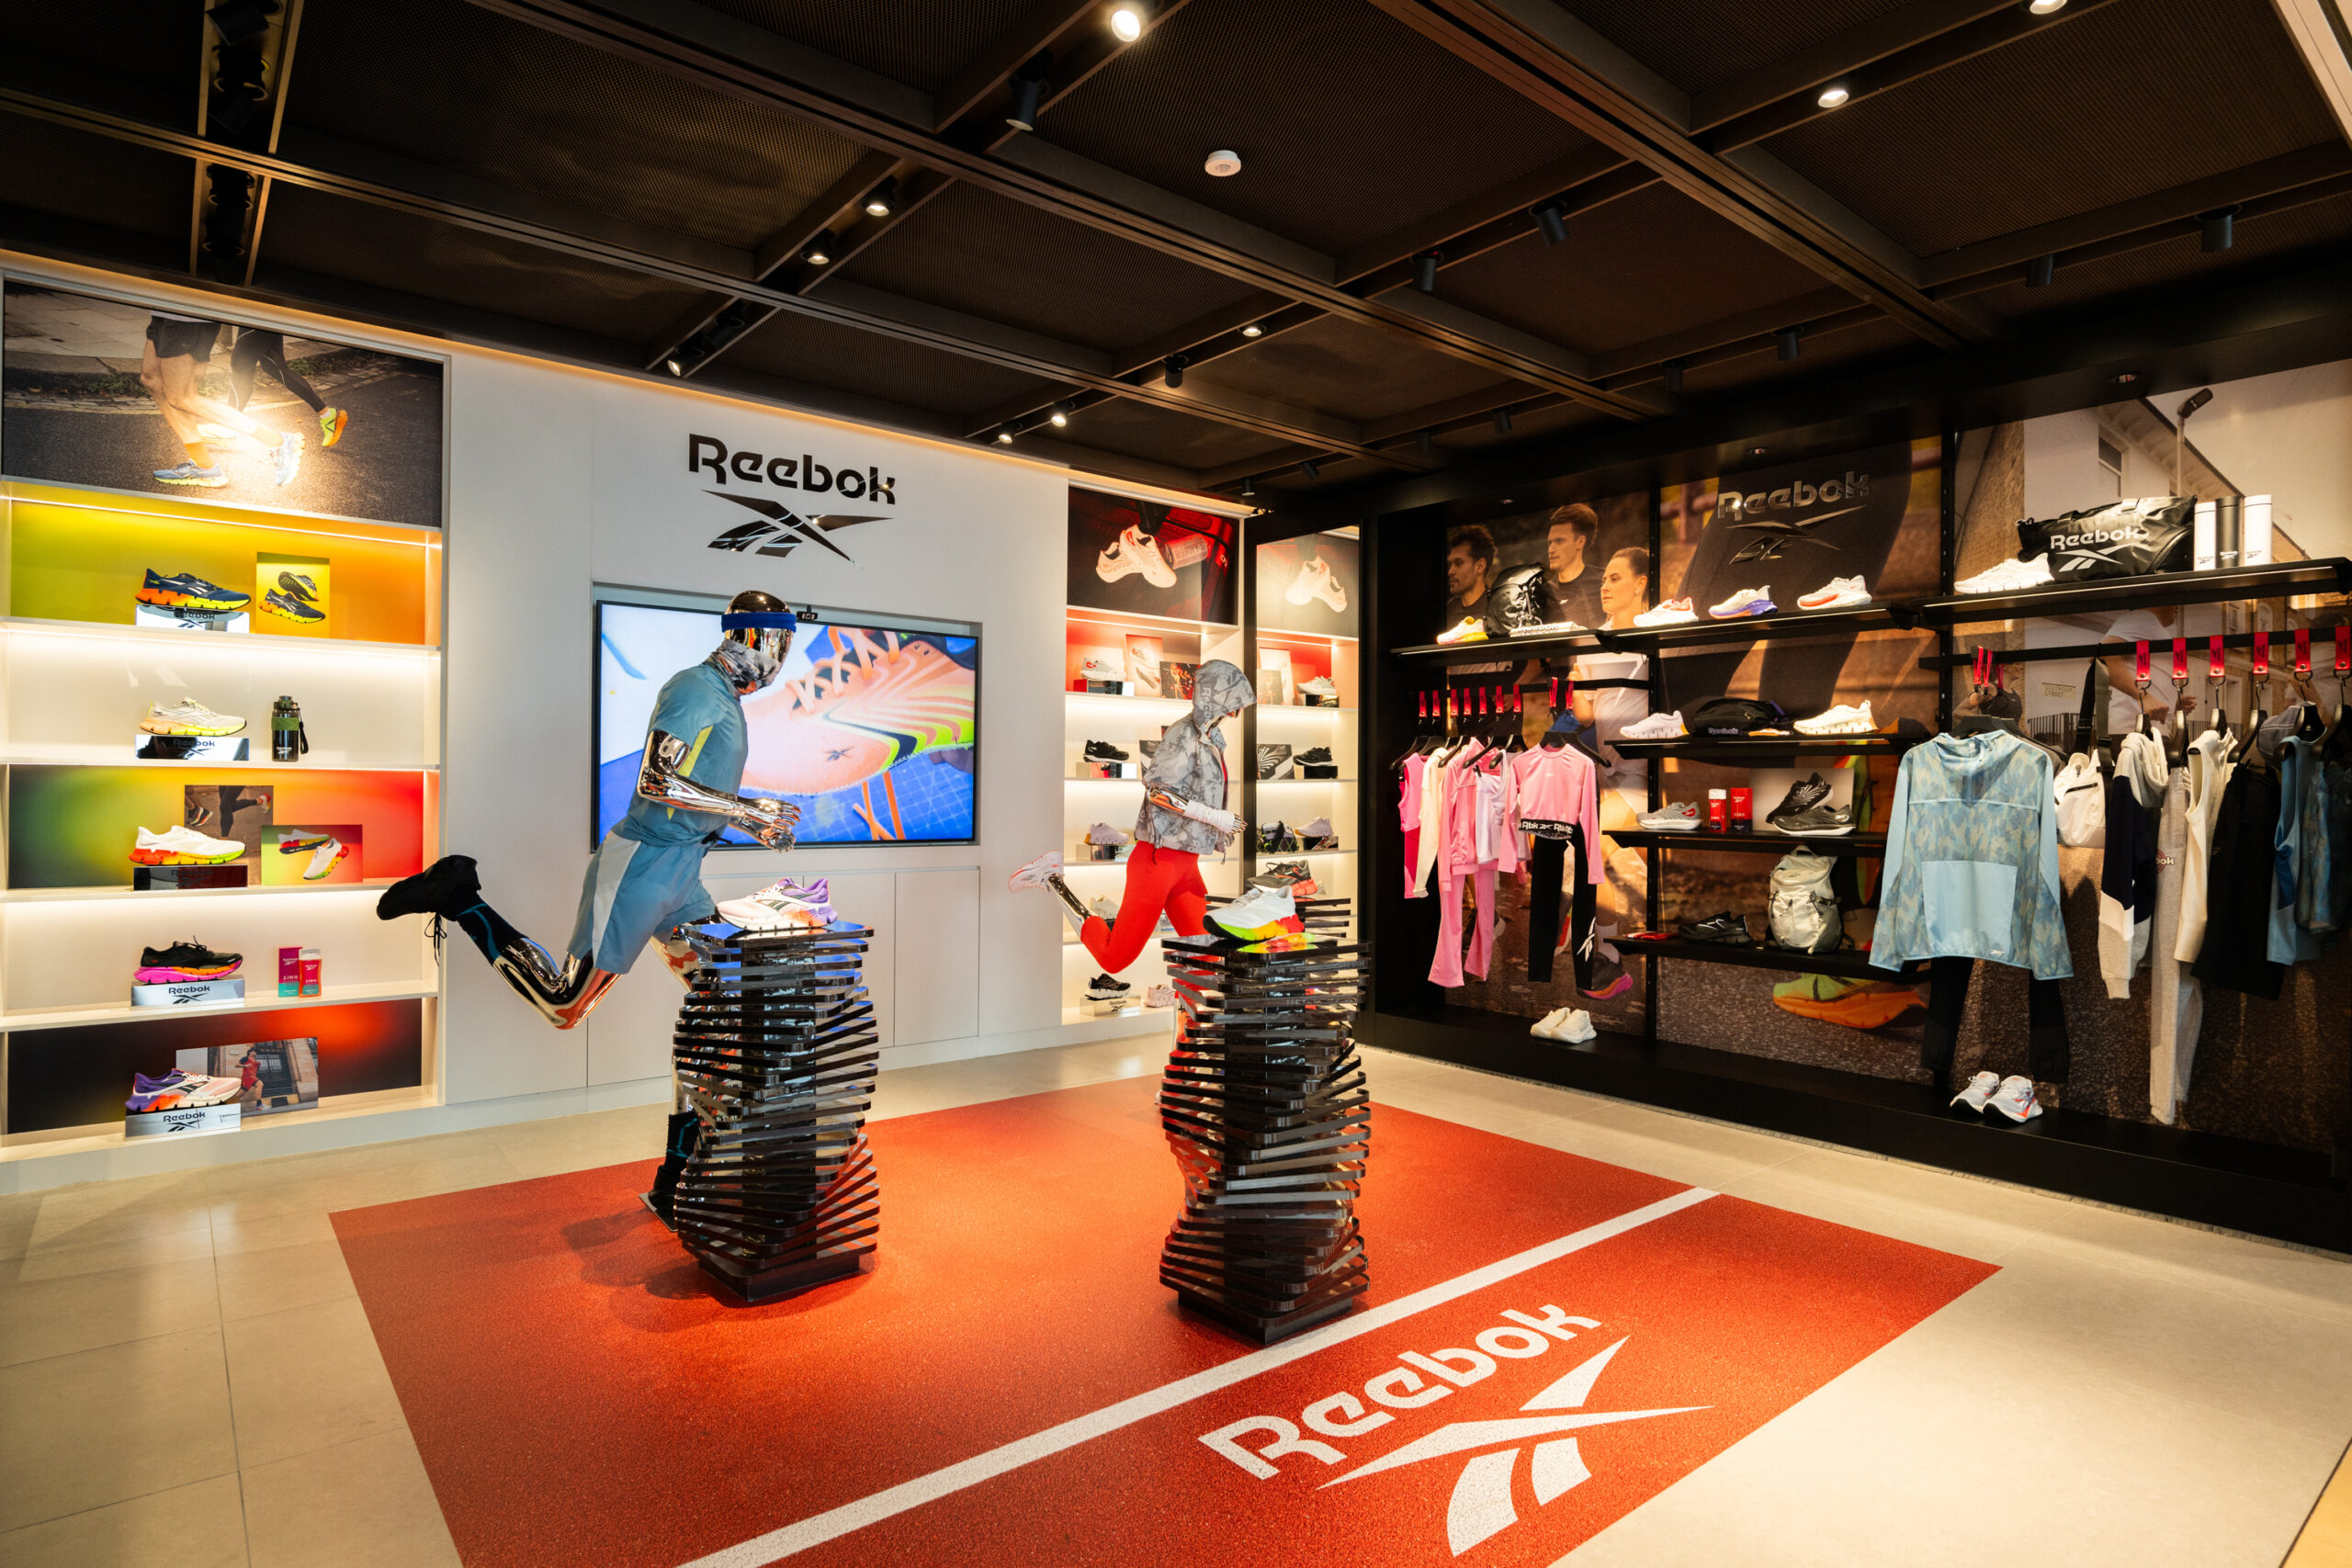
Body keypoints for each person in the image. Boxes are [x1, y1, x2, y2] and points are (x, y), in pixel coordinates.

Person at [374, 591, 801, 1029]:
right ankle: (457, 896)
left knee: (726, 992)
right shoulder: (696, 689)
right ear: (751, 637)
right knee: (564, 1005)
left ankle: (709, 1076)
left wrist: (745, 820)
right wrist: (743, 808)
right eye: (779, 643)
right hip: (641, 867)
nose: (781, 657)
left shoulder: (726, 699)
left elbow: (698, 781)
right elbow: (655, 780)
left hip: (682, 869)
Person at [1012, 661, 1254, 971]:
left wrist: (1216, 821)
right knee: (1114, 959)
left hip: (1185, 863)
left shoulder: (1211, 737)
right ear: (1215, 696)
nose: (1237, 709)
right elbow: (1157, 792)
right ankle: (1052, 879)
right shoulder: (1182, 734)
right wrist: (1214, 817)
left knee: (1207, 956)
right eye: (1234, 699)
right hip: (1157, 862)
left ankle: (1182, 1003)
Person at [139, 312, 302, 490]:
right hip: (164, 313)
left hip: (186, 318)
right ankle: (203, 466)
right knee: (152, 380)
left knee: (182, 397)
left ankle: (277, 440)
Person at [231, 328, 350, 450]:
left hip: (258, 319)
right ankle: (327, 415)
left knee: (240, 366)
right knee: (273, 366)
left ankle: (229, 425)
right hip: (271, 318)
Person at [1542, 504, 1605, 630]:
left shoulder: (1604, 582)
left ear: (1580, 542)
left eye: (1559, 541)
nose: (1551, 549)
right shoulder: (1544, 592)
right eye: (1550, 542)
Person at [1444, 524, 1497, 632]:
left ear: (1480, 566)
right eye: (1450, 564)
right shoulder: (1449, 609)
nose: (1450, 572)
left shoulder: (1496, 610)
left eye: (1458, 563)